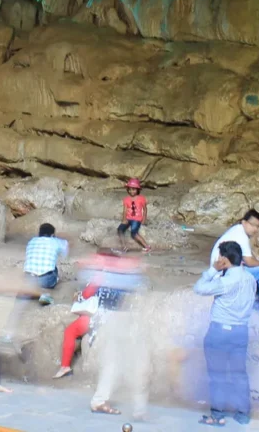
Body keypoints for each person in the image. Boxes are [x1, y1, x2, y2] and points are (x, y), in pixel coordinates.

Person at [194, 241, 257, 426]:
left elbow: (199, 288)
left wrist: (213, 270)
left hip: (220, 332)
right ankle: (243, 414)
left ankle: (217, 415)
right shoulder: (250, 279)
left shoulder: (226, 281)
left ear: (224, 258)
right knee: (239, 374)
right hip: (241, 332)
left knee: (217, 375)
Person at [88, 250, 148, 418]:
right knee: (120, 363)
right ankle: (136, 407)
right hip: (115, 321)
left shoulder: (101, 275)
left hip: (107, 321)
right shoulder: (119, 277)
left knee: (113, 364)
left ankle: (103, 400)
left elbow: (88, 293)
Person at [210, 211, 259, 324]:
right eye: (253, 225)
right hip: (223, 274)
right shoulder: (241, 236)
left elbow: (249, 257)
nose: (255, 229)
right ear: (244, 222)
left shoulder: (237, 230)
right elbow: (250, 261)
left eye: (258, 226)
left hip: (221, 271)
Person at [53, 282, 100, 379]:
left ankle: (65, 367)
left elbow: (87, 294)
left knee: (70, 331)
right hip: (106, 312)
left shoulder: (100, 274)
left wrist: (79, 295)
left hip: (95, 315)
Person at [23, 223, 69, 305]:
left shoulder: (32, 241)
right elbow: (65, 254)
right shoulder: (55, 241)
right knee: (54, 269)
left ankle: (32, 291)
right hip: (45, 280)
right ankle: (45, 292)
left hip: (28, 278)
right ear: (52, 235)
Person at [117, 178, 151, 252]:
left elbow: (145, 209)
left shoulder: (141, 198)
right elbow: (125, 210)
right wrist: (124, 219)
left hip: (137, 219)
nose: (131, 191)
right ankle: (124, 246)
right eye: (130, 189)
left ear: (138, 190)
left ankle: (147, 246)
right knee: (120, 229)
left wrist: (144, 219)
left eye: (134, 189)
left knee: (134, 233)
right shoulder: (126, 199)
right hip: (128, 218)